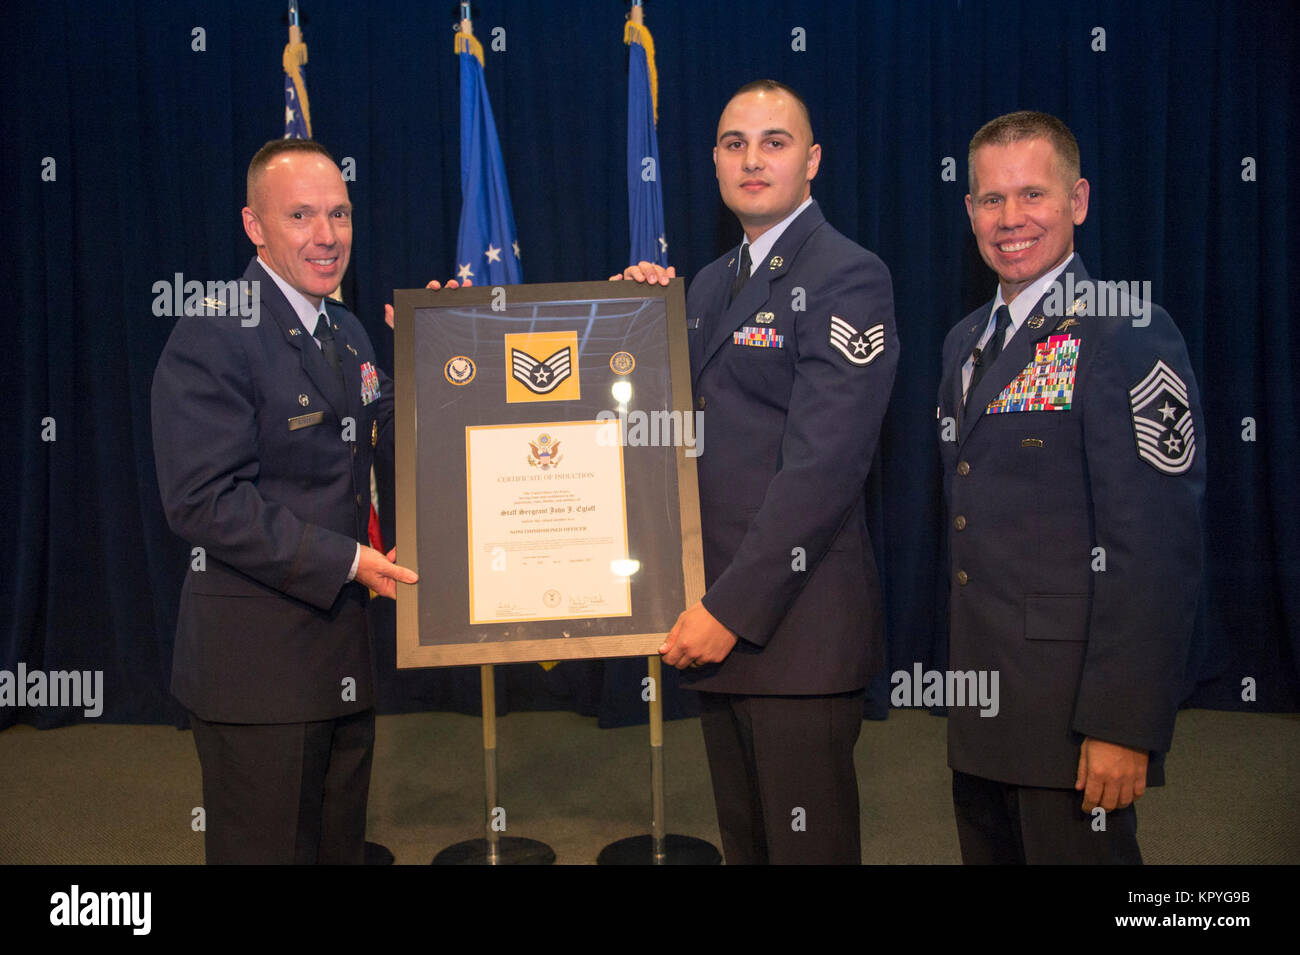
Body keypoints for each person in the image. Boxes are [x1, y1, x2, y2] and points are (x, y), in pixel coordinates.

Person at [617, 80, 898, 864]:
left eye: (774, 142)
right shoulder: (708, 284)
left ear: (811, 161)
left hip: (794, 629)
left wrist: (729, 609)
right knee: (750, 847)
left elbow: (823, 468)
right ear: (713, 160)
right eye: (734, 143)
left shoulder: (850, 275)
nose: (752, 159)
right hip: (723, 628)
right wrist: (629, 322)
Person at [151, 139, 452, 863]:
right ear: (254, 225)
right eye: (302, 216)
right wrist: (348, 559)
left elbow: (379, 453)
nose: (328, 235)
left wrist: (438, 362)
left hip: (341, 661)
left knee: (334, 848)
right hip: (258, 676)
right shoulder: (215, 328)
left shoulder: (345, 332)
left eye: (340, 214)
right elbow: (202, 500)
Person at [938, 111, 1205, 863]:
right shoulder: (965, 341)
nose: (1011, 218)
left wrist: (1124, 722)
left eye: (1033, 195)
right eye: (991, 199)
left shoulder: (1127, 330)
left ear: (1079, 200)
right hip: (983, 708)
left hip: (1074, 715)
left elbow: (1155, 547)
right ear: (969, 210)